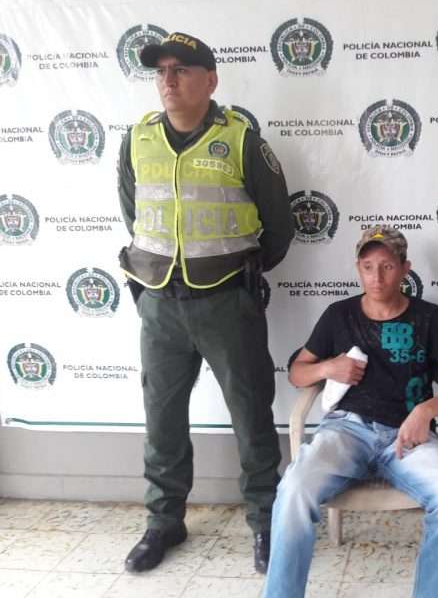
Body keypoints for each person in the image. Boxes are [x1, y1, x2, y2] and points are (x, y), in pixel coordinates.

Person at [116, 31, 292, 574]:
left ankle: (266, 521)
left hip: (226, 303)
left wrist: (241, 272)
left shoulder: (241, 140)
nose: (168, 80)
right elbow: (133, 211)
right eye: (161, 71)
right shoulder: (137, 139)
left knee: (251, 414)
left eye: (182, 70)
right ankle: (164, 520)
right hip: (159, 306)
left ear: (211, 80)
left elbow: (279, 226)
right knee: (161, 419)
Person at [263, 226, 438, 598]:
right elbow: (298, 373)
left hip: (409, 438)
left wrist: (425, 411)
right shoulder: (339, 315)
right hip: (347, 432)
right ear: (358, 269)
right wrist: (328, 368)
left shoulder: (429, 317)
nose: (376, 277)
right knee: (294, 488)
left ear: (406, 269)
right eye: (367, 267)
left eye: (387, 266)